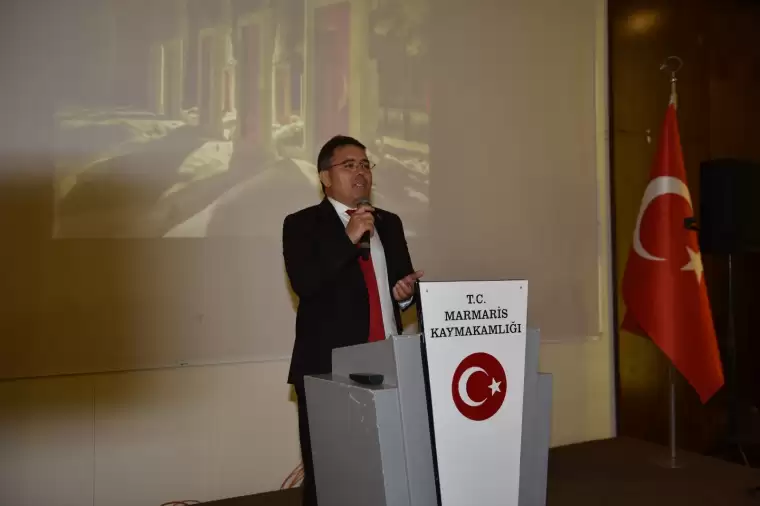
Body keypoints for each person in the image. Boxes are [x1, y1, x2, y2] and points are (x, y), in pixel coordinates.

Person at [282, 135, 423, 506]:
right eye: (349, 165)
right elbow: (306, 283)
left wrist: (405, 294)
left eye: (365, 164)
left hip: (388, 363)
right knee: (331, 475)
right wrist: (348, 237)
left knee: (387, 469)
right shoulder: (301, 224)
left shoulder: (389, 223)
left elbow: (400, 287)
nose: (360, 172)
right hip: (328, 370)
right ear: (325, 177)